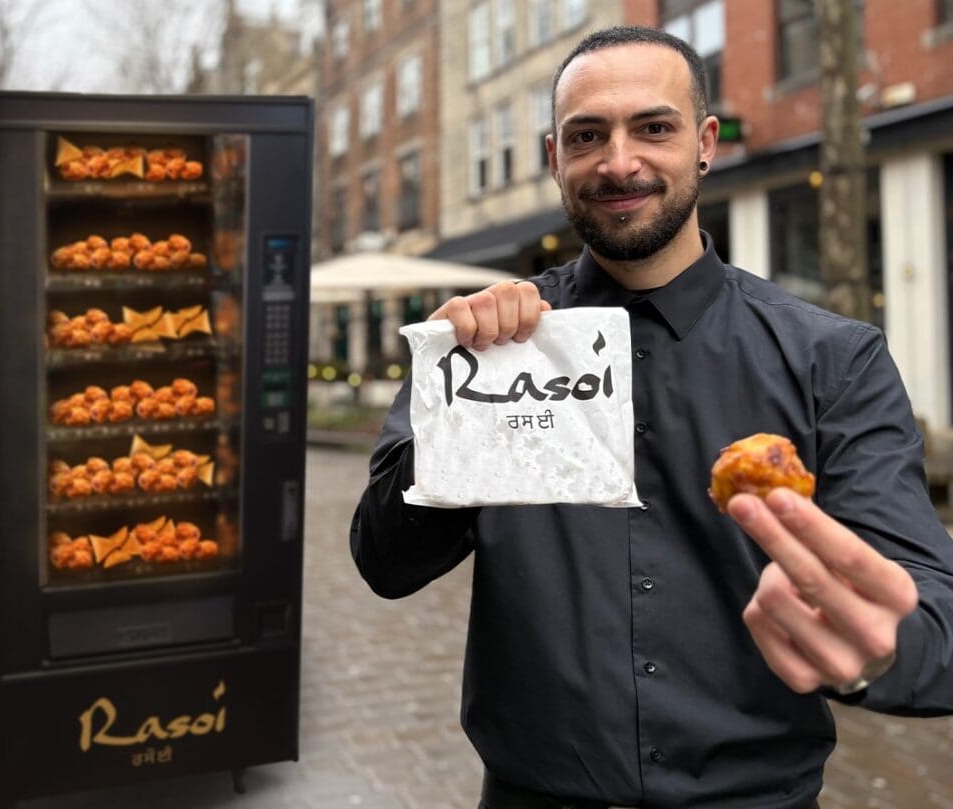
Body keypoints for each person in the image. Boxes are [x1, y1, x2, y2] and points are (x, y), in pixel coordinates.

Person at [350, 25, 953, 809]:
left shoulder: (833, 360)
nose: (619, 161)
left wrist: (872, 650)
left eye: (653, 127)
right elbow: (384, 564)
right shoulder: (483, 351)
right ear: (554, 157)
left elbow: (935, 627)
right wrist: (457, 404)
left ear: (705, 144)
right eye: (587, 136)